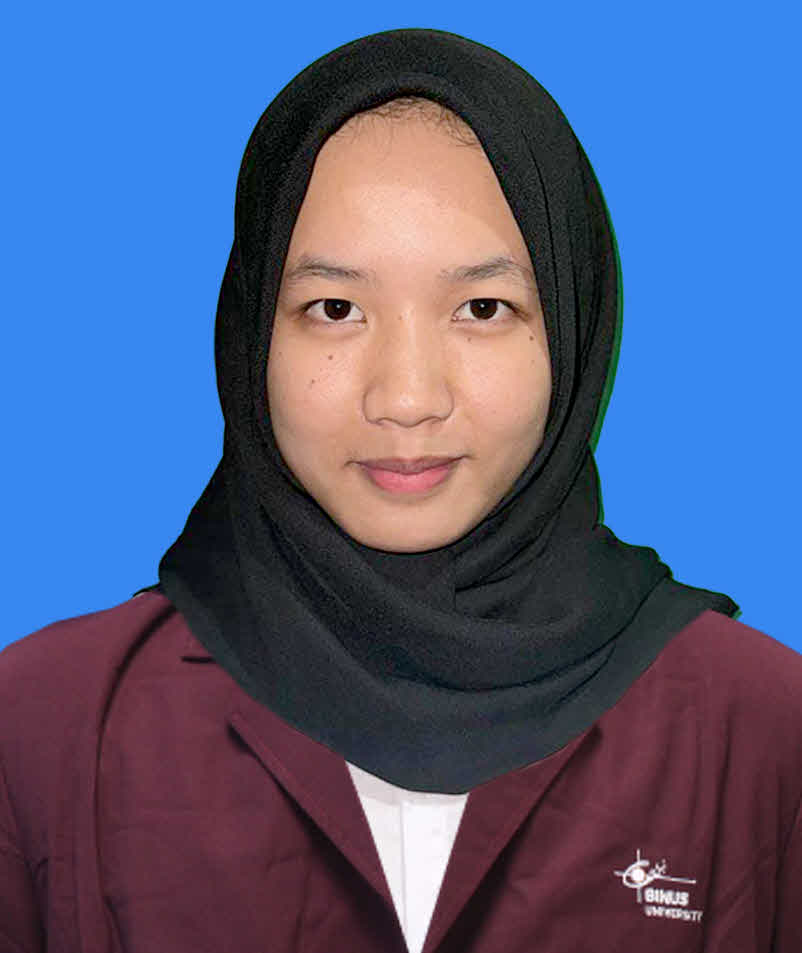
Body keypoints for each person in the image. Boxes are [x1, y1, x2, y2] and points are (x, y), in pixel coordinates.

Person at [1, 27, 800, 953]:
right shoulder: (48, 727)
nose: (407, 398)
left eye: (482, 308)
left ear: (573, 329)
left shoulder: (762, 734)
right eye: (335, 309)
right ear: (252, 333)